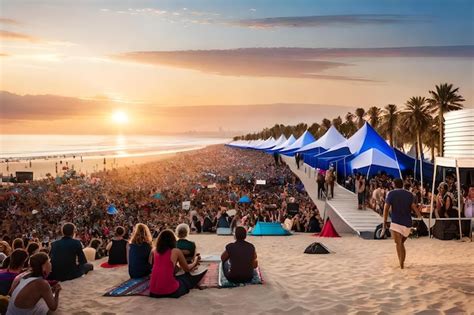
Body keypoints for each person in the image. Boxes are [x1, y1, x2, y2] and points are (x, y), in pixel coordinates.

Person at [149, 230, 205, 298]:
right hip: (170, 291)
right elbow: (187, 269)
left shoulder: (154, 250)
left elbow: (162, 267)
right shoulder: (176, 251)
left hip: (153, 291)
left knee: (179, 277)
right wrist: (195, 262)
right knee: (186, 279)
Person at [383, 178, 422, 269]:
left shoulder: (391, 193)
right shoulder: (409, 194)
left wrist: (384, 221)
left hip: (396, 221)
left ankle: (401, 264)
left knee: (398, 243)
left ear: (394, 184)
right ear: (402, 184)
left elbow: (386, 208)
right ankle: (402, 263)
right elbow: (413, 207)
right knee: (401, 243)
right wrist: (419, 216)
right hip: (407, 223)